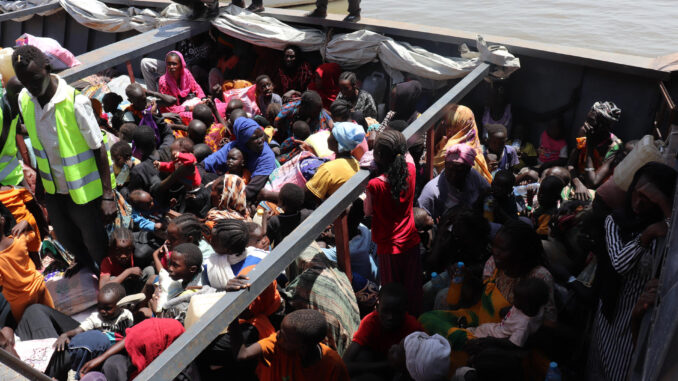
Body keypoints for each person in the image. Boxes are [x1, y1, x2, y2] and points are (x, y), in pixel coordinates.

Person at [12, 45, 116, 268]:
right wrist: (40, 179)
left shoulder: (75, 103)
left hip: (83, 190)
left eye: (35, 79)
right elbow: (42, 148)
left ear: (47, 69)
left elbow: (98, 148)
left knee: (94, 240)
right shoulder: (26, 99)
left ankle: (107, 278)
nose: (31, 87)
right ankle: (85, 268)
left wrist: (108, 194)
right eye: (25, 82)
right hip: (53, 187)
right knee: (65, 236)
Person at [419, 221, 556, 370]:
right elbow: (478, 298)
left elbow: (546, 329)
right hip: (480, 320)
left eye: (502, 249)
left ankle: (463, 343)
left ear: (521, 253)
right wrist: (467, 279)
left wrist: (492, 342)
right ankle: (463, 340)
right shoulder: (494, 263)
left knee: (463, 354)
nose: (495, 252)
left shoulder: (539, 277)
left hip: (504, 342)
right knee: (427, 319)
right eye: (494, 247)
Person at [588, 162, 676, 381]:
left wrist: (665, 207)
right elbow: (619, 264)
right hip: (612, 313)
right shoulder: (616, 221)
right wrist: (644, 237)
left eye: (648, 199)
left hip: (638, 320)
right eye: (635, 194)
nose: (637, 203)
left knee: (626, 371)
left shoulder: (667, 229)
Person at [366, 130, 422, 315]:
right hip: (410, 241)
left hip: (389, 247)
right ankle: (414, 320)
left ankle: (398, 324)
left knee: (392, 291)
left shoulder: (375, 184)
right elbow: (406, 158)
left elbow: (368, 211)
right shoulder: (412, 170)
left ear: (380, 156)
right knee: (412, 288)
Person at [235, 309, 350, 381]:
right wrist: (232, 314)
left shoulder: (333, 366)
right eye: (280, 330)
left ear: (302, 346)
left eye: (284, 336)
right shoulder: (277, 344)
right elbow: (243, 354)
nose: (277, 334)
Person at [343, 283, 423, 380]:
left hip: (403, 370)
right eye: (385, 311)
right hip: (377, 365)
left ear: (405, 310)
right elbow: (345, 363)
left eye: (396, 312)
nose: (390, 317)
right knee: (363, 357)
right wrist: (387, 365)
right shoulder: (370, 322)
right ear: (377, 307)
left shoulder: (413, 328)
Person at [80, 317, 187, 380]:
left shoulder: (180, 375)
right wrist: (101, 358)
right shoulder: (164, 330)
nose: (133, 355)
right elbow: (132, 337)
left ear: (154, 351)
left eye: (140, 350)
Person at [0, 202, 53, 322]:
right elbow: (32, 233)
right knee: (52, 317)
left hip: (19, 301)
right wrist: (26, 223)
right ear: (2, 220)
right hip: (38, 286)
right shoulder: (19, 238)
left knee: (32, 328)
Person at [204, 117, 276, 201]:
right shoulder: (234, 146)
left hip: (249, 194)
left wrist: (220, 196)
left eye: (261, 135)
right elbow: (205, 164)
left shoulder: (266, 157)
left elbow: (250, 191)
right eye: (254, 138)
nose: (261, 141)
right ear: (243, 141)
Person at [467, 277, 550, 347]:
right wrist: (508, 309)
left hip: (499, 337)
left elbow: (513, 343)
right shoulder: (534, 307)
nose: (514, 301)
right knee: (483, 328)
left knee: (473, 338)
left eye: (517, 300)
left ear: (528, 305)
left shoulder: (523, 326)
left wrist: (491, 341)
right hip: (499, 327)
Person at [418, 144, 490, 221]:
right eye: (450, 170)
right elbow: (420, 221)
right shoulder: (431, 191)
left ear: (468, 170)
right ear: (445, 165)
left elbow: (488, 191)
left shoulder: (473, 175)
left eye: (459, 171)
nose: (454, 175)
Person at [53, 283, 134, 351]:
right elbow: (79, 330)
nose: (102, 311)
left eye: (108, 308)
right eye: (99, 307)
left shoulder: (126, 316)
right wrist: (65, 334)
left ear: (120, 305)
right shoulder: (96, 318)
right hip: (101, 349)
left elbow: (130, 336)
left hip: (120, 348)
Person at [568, 101, 623, 200]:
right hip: (580, 182)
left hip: (597, 190)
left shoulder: (614, 147)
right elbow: (570, 164)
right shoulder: (584, 133)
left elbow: (593, 182)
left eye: (591, 122)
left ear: (604, 127)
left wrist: (589, 146)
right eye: (587, 120)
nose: (586, 124)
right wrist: (578, 184)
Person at [305, 120, 363, 205]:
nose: (328, 136)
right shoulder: (356, 163)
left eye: (331, 134)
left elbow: (307, 195)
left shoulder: (328, 169)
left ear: (337, 143)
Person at [432, 104, 492, 183]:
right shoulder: (474, 146)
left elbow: (432, 164)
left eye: (452, 125)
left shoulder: (453, 150)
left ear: (461, 126)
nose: (448, 130)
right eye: (447, 125)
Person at [99, 227, 155, 294]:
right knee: (112, 279)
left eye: (127, 251)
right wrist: (128, 272)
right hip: (120, 293)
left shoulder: (136, 254)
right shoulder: (108, 261)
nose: (123, 256)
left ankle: (143, 301)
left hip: (137, 289)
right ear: (112, 250)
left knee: (150, 270)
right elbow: (102, 288)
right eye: (118, 251)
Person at [123, 83, 175, 149]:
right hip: (152, 145)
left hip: (165, 134)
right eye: (138, 102)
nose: (143, 103)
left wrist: (152, 93)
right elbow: (136, 134)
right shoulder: (129, 114)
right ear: (130, 101)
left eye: (144, 99)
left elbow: (173, 100)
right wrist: (162, 115)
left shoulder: (150, 103)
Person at [158, 51, 206, 117]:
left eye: (174, 64)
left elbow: (196, 87)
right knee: (195, 116)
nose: (171, 67)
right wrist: (190, 108)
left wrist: (203, 99)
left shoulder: (186, 73)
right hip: (175, 112)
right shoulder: (163, 81)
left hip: (191, 105)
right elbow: (170, 108)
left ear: (181, 65)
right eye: (168, 64)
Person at [0, 76, 26, 188]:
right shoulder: (2, 116)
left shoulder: (11, 108)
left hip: (14, 176)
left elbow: (18, 129)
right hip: (4, 184)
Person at [267, 183, 312, 247]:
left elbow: (267, 241)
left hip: (281, 253)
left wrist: (265, 221)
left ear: (282, 202)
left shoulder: (274, 221)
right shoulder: (307, 214)